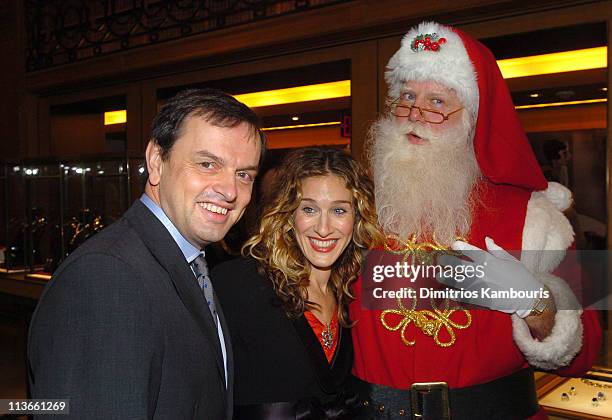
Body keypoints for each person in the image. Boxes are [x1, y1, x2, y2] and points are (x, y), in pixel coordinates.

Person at [349, 22, 602, 419]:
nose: (415, 114)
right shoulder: (354, 205)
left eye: (437, 102)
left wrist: (535, 302)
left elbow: (584, 354)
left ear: (475, 119)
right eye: (407, 96)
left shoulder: (533, 215)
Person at [27, 88, 264, 419]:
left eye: (244, 175)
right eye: (208, 163)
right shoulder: (107, 277)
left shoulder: (190, 262)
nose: (230, 190)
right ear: (156, 162)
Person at [212, 147, 381, 419]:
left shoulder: (353, 292)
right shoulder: (237, 285)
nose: (323, 228)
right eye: (309, 209)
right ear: (289, 215)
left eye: (339, 210)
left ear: (357, 218)